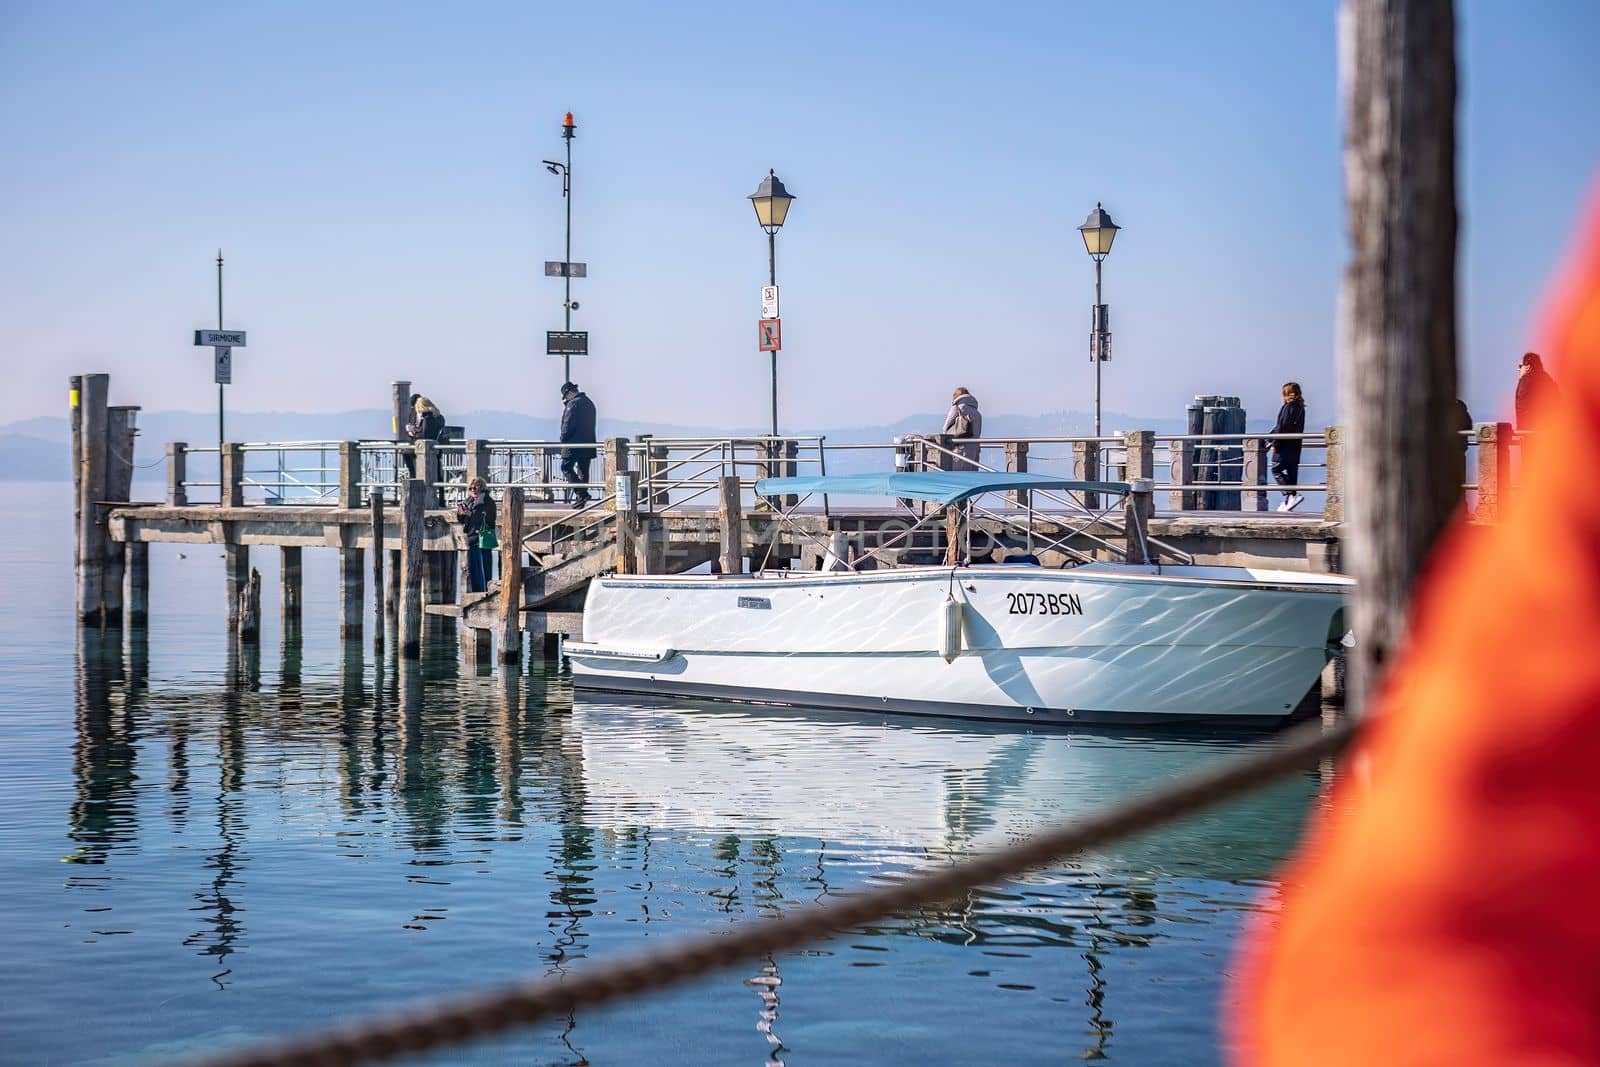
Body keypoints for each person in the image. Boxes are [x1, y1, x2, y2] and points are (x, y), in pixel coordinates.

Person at [1268, 382, 1306, 511]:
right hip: (1295, 445)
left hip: (1284, 445)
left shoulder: (1288, 407)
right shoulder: (1300, 408)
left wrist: (1274, 442)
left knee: (1276, 469)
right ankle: (1291, 498)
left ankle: (1290, 494)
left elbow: (1281, 427)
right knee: (1291, 471)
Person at [559, 381, 598, 507]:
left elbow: (567, 425)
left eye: (565, 397)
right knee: (583, 471)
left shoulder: (573, 404)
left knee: (566, 467)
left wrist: (563, 438)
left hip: (573, 444)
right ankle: (581, 498)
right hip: (588, 443)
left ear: (569, 393)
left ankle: (581, 494)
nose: (565, 399)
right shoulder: (589, 402)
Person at [455, 476, 497, 593]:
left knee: (484, 568)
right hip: (472, 538)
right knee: (474, 570)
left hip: (483, 538)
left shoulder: (487, 501)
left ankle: (486, 592)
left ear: (481, 487)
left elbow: (489, 519)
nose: (473, 490)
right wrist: (461, 513)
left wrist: (470, 514)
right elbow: (463, 521)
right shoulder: (469, 500)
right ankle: (477, 593)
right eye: (470, 488)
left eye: (475, 487)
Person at [1514, 351, 1558, 428]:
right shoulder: (1548, 379)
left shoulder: (1525, 380)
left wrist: (1522, 431)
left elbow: (1522, 407)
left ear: (1528, 366)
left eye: (1520, 366)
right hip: (1549, 430)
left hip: (1529, 432)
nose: (1518, 369)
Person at [942, 387, 983, 471]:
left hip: (960, 448)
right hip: (974, 449)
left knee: (958, 476)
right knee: (971, 478)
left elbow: (945, 427)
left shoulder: (958, 407)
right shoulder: (977, 412)